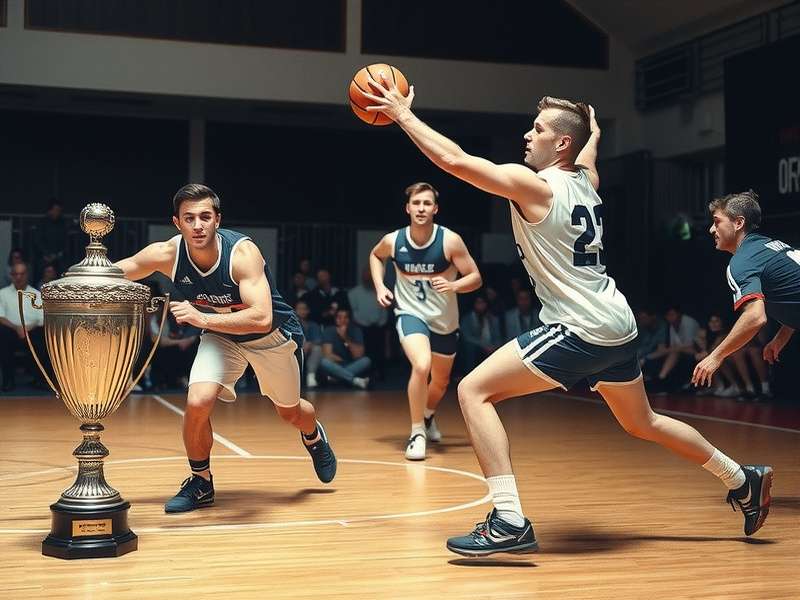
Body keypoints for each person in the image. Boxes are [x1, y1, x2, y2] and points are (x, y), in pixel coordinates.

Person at [363, 78, 772, 555]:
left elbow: (453, 161)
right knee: (643, 422)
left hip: (580, 326)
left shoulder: (534, 186)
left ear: (560, 143)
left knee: (474, 391)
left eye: (536, 129)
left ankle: (508, 518)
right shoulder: (586, 183)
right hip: (618, 325)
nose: (526, 136)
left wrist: (401, 114)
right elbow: (588, 159)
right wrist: (592, 135)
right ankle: (741, 478)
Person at [114, 184, 336, 513]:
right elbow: (118, 271)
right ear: (177, 223)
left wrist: (201, 317)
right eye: (189, 218)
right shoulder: (168, 254)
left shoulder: (242, 254)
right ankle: (201, 482)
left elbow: (261, 318)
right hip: (221, 337)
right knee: (197, 401)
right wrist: (71, 282)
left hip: (271, 338)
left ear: (217, 219)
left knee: (290, 412)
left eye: (205, 216)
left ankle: (314, 436)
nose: (198, 224)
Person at [369, 181, 482, 460]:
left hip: (444, 320)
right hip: (410, 313)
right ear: (408, 208)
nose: (421, 208)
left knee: (441, 382)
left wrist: (454, 286)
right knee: (421, 365)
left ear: (435, 209)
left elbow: (475, 278)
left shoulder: (450, 241)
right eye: (417, 203)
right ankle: (417, 432)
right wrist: (381, 287)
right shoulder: (394, 240)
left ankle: (429, 415)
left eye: (427, 203)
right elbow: (375, 255)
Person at [694, 190, 798, 395]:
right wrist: (780, 338)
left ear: (738, 223)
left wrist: (716, 356)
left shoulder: (742, 262)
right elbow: (794, 294)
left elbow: (755, 317)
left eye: (717, 222)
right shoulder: (770, 247)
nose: (711, 230)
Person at [0, 262, 49, 391]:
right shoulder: (2, 294)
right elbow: (1, 316)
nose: (19, 277)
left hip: (32, 331)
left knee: (43, 335)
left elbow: (42, 318)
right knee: (3, 334)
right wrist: (17, 328)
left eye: (22, 274)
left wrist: (27, 328)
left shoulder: (37, 294)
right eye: (16, 274)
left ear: (27, 275)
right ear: (11, 275)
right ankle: (8, 381)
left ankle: (40, 380)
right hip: (10, 331)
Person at [348, 266, 389, 379]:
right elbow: (354, 312)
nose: (368, 277)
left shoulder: (380, 291)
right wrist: (365, 323)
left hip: (378, 327)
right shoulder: (354, 293)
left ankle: (380, 374)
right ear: (362, 277)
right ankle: (366, 374)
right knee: (365, 351)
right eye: (366, 275)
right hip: (361, 328)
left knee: (379, 352)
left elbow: (384, 310)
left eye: (370, 275)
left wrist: (380, 323)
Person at [319, 308, 371, 389]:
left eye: (345, 317)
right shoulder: (329, 330)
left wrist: (345, 338)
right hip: (334, 365)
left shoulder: (356, 330)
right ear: (336, 319)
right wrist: (342, 360)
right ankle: (355, 380)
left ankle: (336, 378)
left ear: (349, 319)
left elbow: (358, 355)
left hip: (351, 364)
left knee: (366, 360)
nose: (342, 320)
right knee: (323, 362)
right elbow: (328, 355)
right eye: (339, 317)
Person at [460, 294, 503, 371]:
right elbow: (468, 337)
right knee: (470, 348)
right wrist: (484, 346)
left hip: (491, 347)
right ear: (474, 304)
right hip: (476, 347)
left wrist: (494, 346)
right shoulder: (467, 319)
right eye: (478, 303)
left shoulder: (493, 318)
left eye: (483, 303)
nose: (481, 306)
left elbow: (498, 337)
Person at [295, 299, 323, 388]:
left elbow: (318, 340)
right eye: (299, 309)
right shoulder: (291, 324)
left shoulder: (313, 325)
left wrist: (309, 344)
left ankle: (311, 376)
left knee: (317, 349)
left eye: (304, 309)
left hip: (310, 353)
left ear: (308, 311)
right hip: (295, 351)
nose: (302, 311)